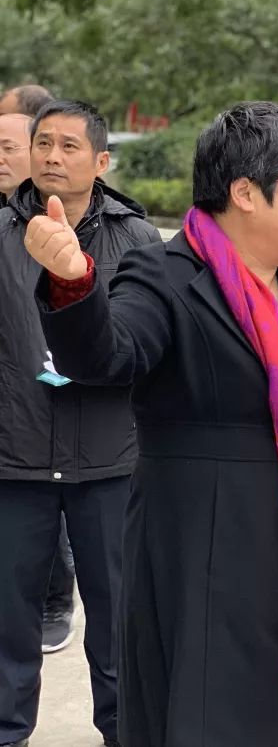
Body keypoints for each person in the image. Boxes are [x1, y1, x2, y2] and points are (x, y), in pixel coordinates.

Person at [25, 101, 278, 746]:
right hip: (199, 545)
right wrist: (73, 283)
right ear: (246, 192)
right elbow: (108, 355)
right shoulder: (164, 275)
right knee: (204, 710)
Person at [0, 100, 158, 747]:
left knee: (121, 618)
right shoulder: (2, 233)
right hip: (14, 460)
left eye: (69, 146)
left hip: (110, 461)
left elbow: (152, 347)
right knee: (8, 620)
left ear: (101, 161)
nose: (52, 157)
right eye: (43, 143)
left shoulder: (137, 240)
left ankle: (125, 730)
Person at [0, 85, 76, 656]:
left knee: (49, 496)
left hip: (50, 388)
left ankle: (56, 597)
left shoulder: (77, 225)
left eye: (9, 147)